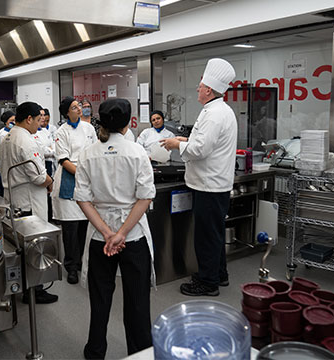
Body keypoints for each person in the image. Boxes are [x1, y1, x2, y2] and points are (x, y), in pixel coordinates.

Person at [75, 98, 156, 359]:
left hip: (101, 237)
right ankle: (140, 353)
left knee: (100, 300)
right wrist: (121, 234)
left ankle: (95, 352)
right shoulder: (137, 152)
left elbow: (82, 199)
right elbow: (144, 198)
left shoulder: (88, 154)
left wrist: (108, 233)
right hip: (132, 236)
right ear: (127, 123)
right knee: (137, 302)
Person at [160, 58, 238, 297]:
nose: (197, 88)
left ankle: (207, 283)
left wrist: (176, 144)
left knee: (206, 236)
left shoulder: (215, 115)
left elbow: (200, 150)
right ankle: (219, 274)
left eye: (200, 84)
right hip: (212, 184)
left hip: (209, 186)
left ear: (208, 90)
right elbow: (202, 143)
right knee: (214, 232)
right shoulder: (217, 111)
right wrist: (183, 140)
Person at [0, 102, 58, 305]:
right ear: (29, 119)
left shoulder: (8, 137)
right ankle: (34, 290)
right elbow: (38, 177)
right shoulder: (25, 141)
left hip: (14, 197)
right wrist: (50, 182)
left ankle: (24, 286)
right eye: (38, 120)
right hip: (28, 200)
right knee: (33, 245)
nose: (40, 124)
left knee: (20, 244)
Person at [52, 97, 97, 285]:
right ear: (66, 113)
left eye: (78, 105)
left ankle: (82, 262)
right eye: (74, 107)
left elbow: (96, 150)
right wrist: (83, 175)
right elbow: (63, 160)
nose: (79, 109)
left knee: (85, 226)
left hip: (88, 176)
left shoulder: (89, 128)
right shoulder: (62, 132)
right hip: (70, 177)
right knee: (70, 229)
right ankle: (71, 266)